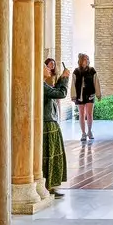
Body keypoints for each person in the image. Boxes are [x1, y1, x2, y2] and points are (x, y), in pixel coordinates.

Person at [42, 58, 69, 194]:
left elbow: (54, 91)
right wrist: (64, 80)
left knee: (52, 156)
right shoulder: (41, 85)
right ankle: (47, 187)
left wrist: (61, 79)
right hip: (47, 123)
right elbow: (61, 93)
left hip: (50, 121)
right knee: (49, 156)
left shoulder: (43, 84)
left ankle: (50, 186)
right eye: (46, 67)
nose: (49, 69)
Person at [72, 53, 99, 143]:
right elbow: (73, 84)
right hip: (80, 95)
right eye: (84, 59)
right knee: (82, 114)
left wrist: (98, 94)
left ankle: (89, 131)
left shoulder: (92, 70)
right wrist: (73, 95)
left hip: (90, 94)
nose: (86, 60)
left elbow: (96, 82)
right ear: (80, 61)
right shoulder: (76, 71)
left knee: (89, 114)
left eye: (87, 59)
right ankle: (83, 133)